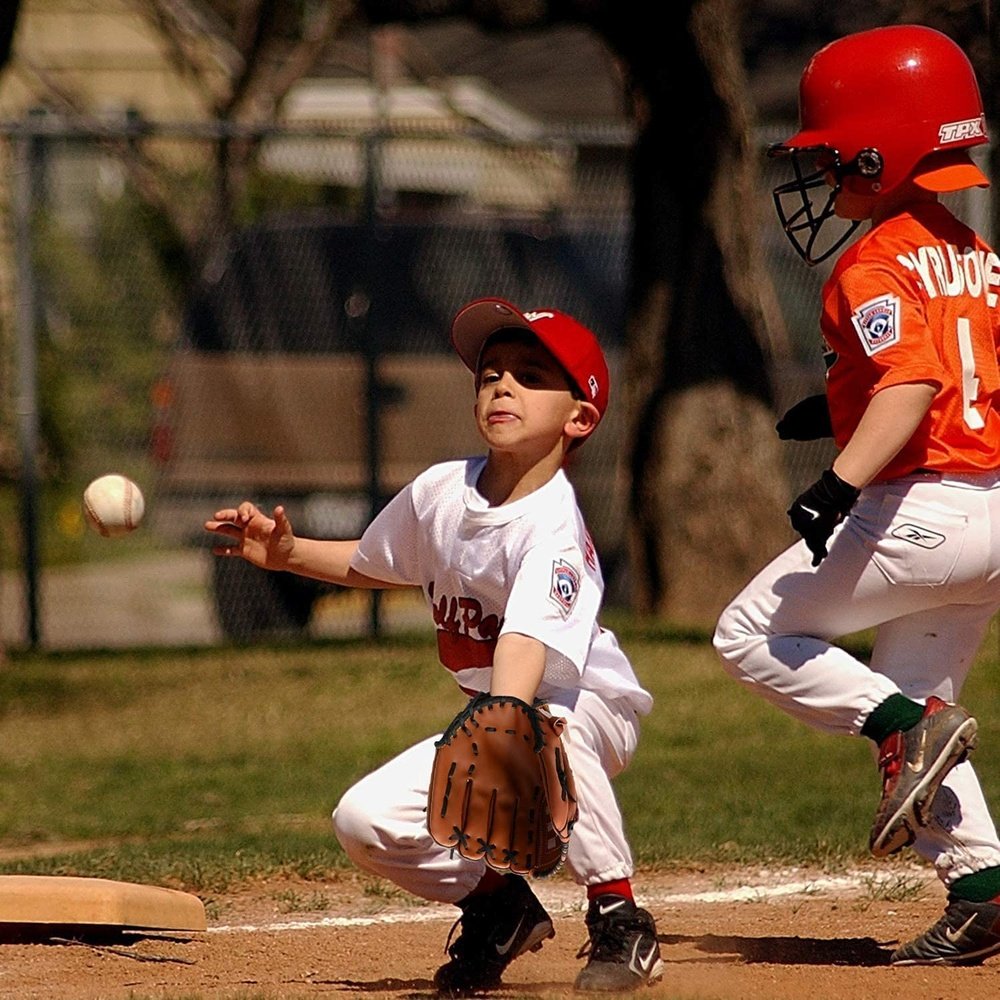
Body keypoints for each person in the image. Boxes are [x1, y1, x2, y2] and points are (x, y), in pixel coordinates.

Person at [205, 297, 664, 994]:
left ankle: (620, 918)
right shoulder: (442, 491)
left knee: (549, 727)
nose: (502, 385)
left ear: (579, 418)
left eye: (531, 375)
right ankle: (500, 909)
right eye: (491, 374)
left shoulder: (554, 532)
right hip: (502, 718)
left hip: (588, 705)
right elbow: (372, 560)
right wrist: (289, 553)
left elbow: (524, 652)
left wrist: (503, 728)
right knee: (364, 821)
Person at [713, 23, 1000, 966]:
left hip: (925, 509)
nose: (824, 180)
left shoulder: (873, 260)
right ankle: (982, 894)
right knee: (916, 687)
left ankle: (905, 730)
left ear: (886, 153)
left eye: (835, 160)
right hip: (992, 511)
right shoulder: (978, 256)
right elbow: (950, 374)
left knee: (750, 632)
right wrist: (840, 402)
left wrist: (837, 482)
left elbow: (913, 380)